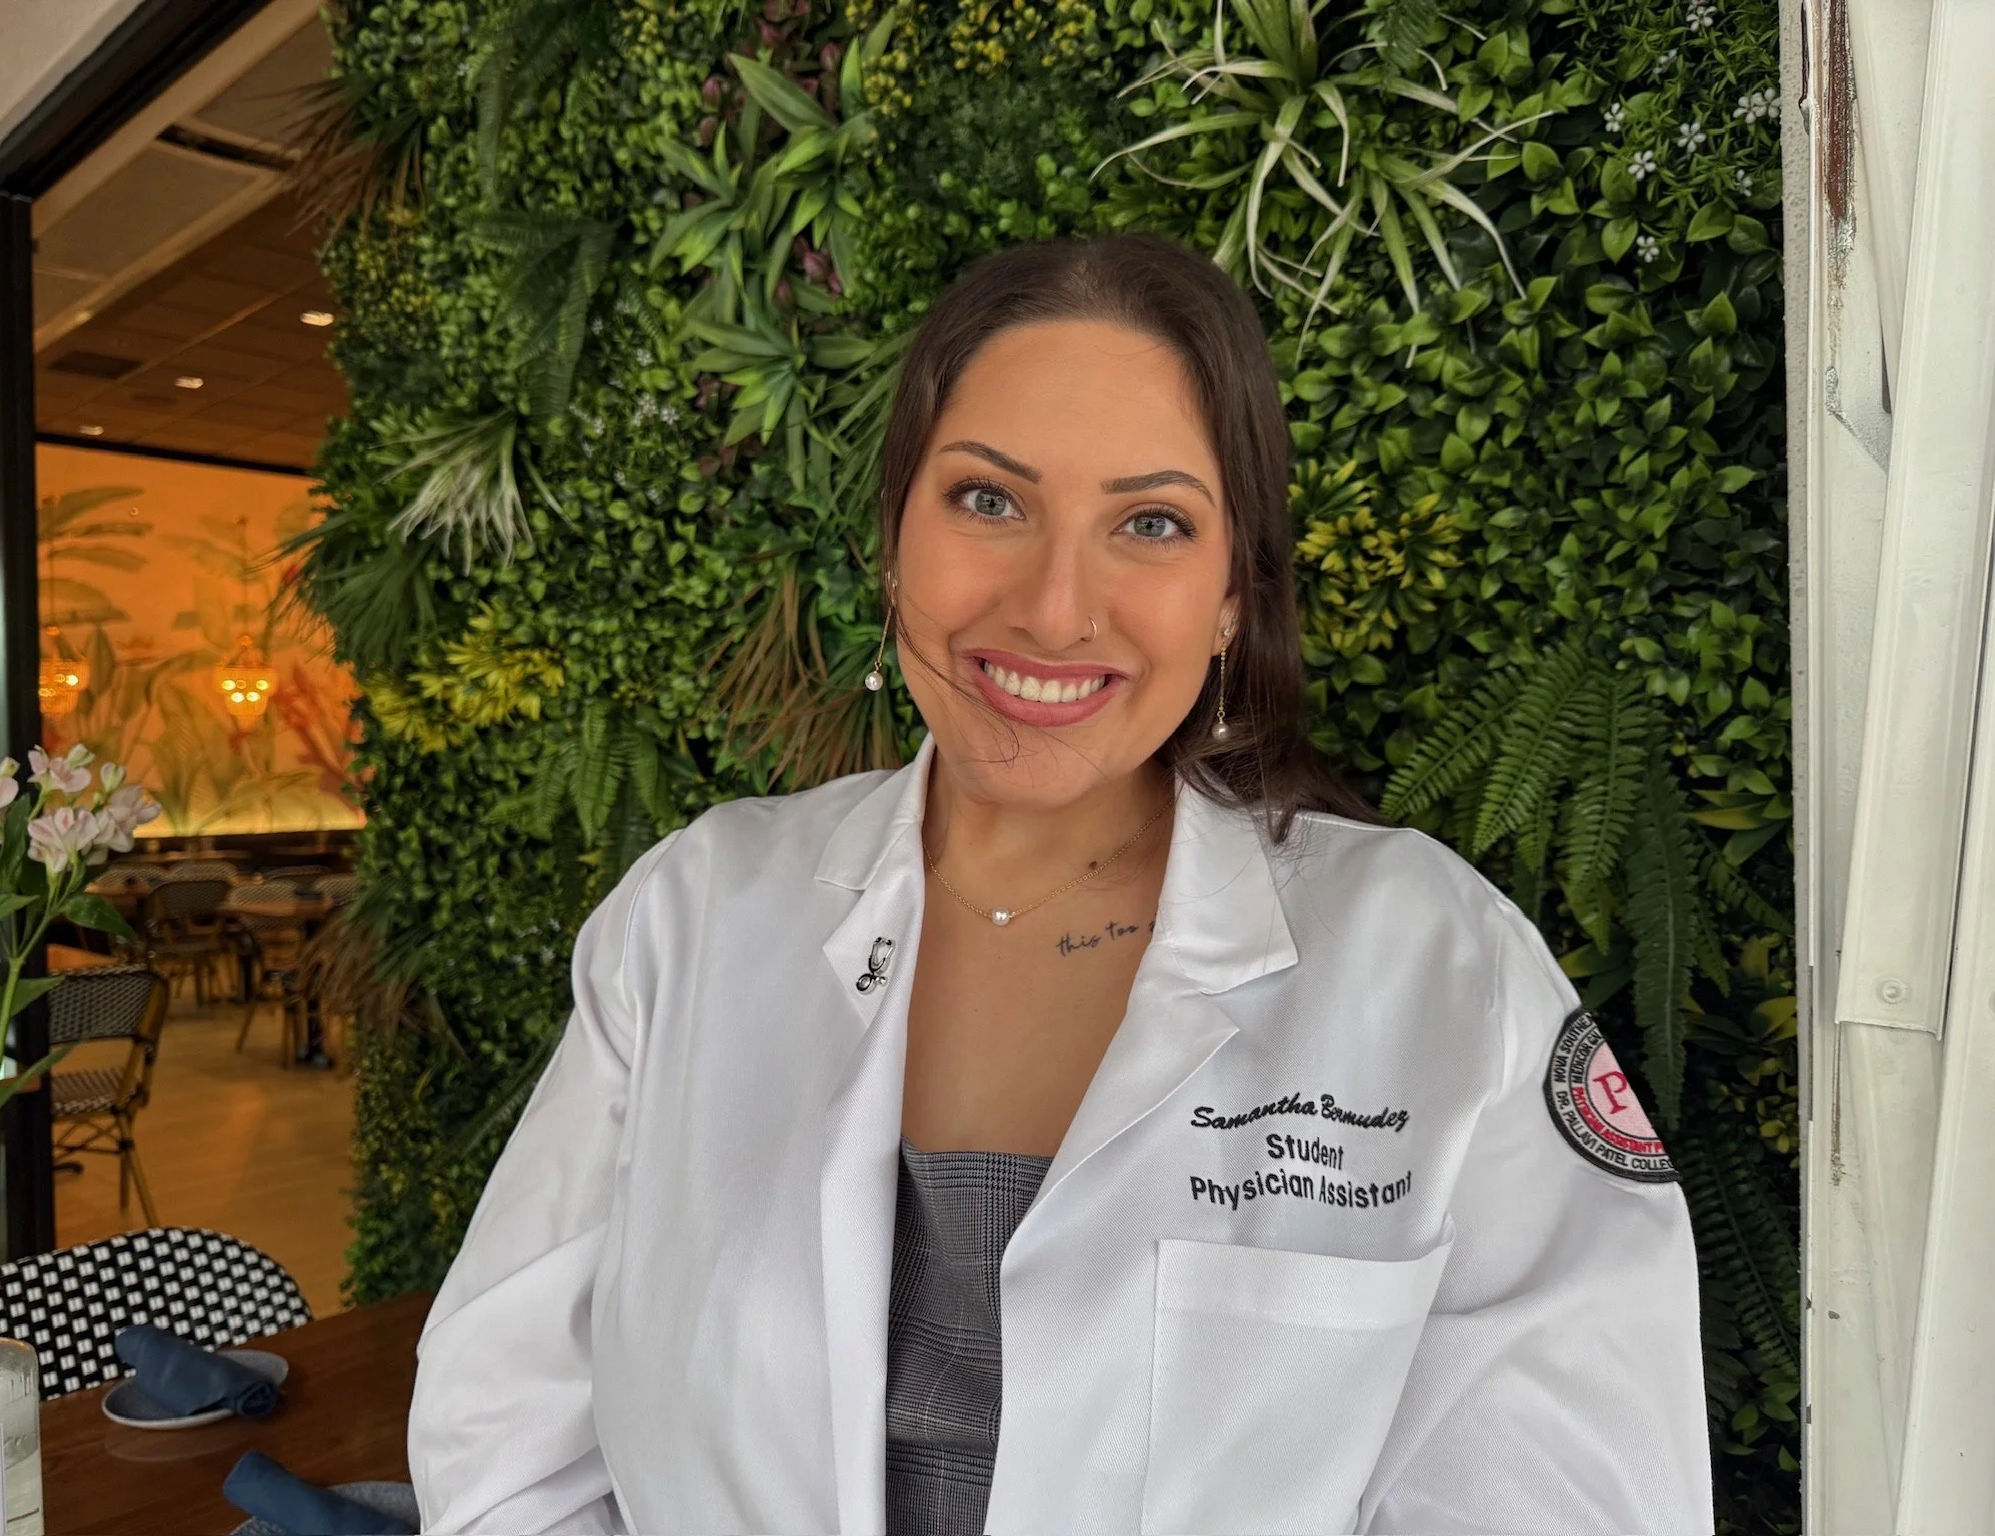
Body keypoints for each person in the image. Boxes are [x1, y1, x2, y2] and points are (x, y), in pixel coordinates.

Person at [407, 232, 1714, 1535]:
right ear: (892, 537)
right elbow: (505, 1435)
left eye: (1150, 523)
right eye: (988, 500)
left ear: (1231, 599)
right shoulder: (696, 917)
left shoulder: (1438, 967)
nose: (1051, 606)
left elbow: (1575, 1498)